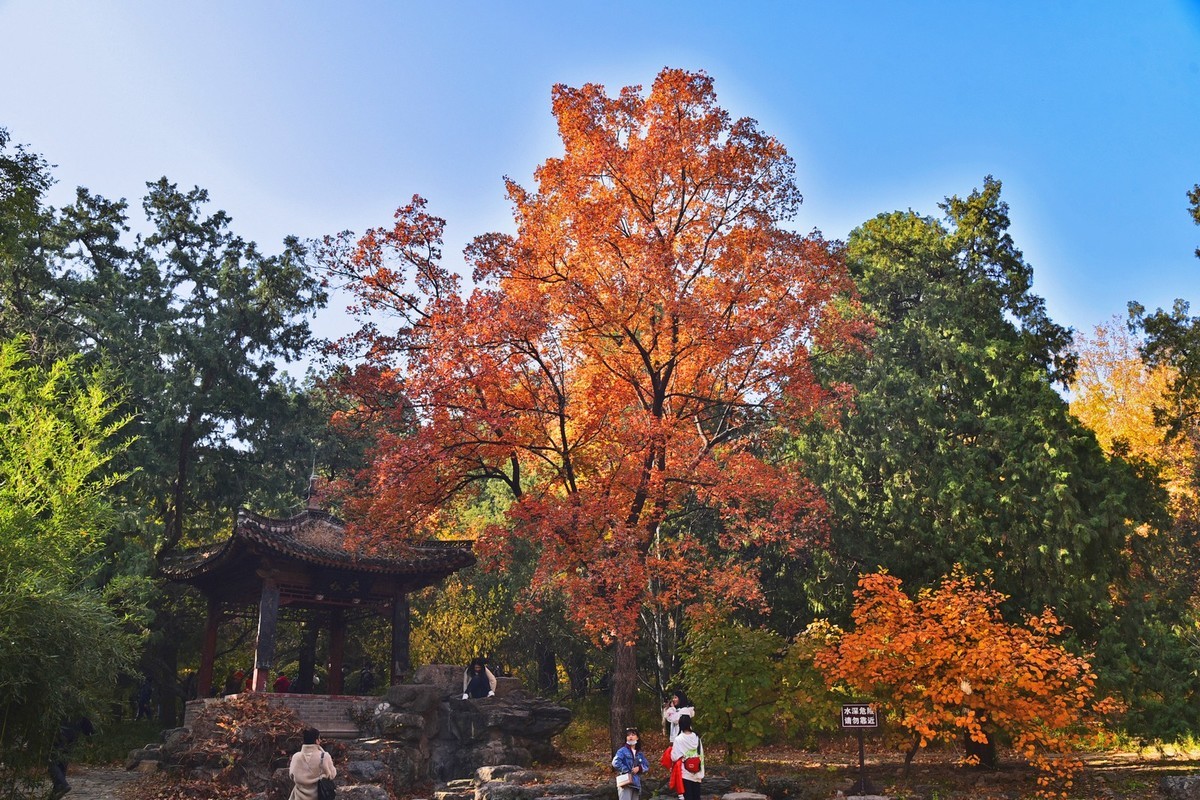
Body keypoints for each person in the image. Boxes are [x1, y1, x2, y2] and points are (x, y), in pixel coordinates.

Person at [48, 716, 94, 798]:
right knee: (62, 763)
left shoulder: (65, 706)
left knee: (52, 761)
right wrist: (89, 736)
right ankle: (56, 792)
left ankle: (63, 785)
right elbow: (85, 721)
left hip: (60, 735)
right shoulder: (79, 709)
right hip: (72, 737)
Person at [288, 727, 336, 800]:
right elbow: (332, 775)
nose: (320, 740)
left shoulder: (296, 757)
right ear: (316, 741)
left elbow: (291, 775)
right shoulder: (324, 756)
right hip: (319, 796)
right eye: (319, 738)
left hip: (299, 797)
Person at [612, 726, 651, 800]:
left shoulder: (639, 753)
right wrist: (627, 770)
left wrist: (639, 768)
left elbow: (646, 765)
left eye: (633, 735)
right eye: (628, 735)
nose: (630, 737)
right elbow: (615, 762)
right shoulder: (622, 751)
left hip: (636, 783)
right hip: (625, 782)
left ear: (637, 737)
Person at [670, 714, 703, 800]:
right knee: (696, 796)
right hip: (697, 771)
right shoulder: (697, 737)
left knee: (687, 796)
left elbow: (674, 757)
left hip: (685, 772)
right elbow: (701, 753)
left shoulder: (678, 739)